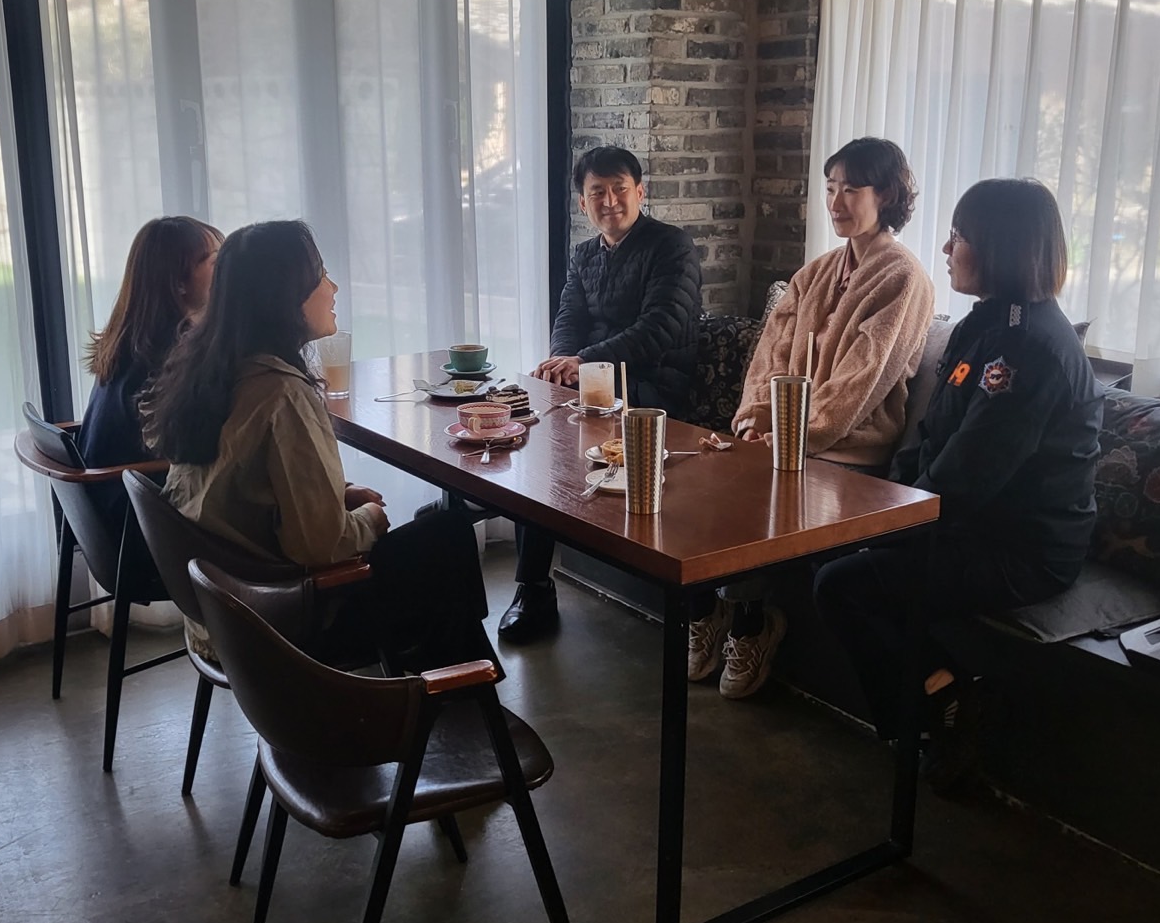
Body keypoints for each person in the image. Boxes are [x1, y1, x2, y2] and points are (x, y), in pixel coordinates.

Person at [812, 177, 1103, 792]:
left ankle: (942, 709)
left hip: (1022, 547)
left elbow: (971, 475)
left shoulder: (1030, 349)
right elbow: (932, 437)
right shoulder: (986, 325)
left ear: (1001, 246)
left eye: (959, 236)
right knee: (828, 553)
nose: (946, 249)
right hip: (969, 521)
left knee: (843, 583)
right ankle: (935, 698)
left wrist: (888, 525)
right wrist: (886, 503)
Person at [144, 220, 493, 671]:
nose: (333, 288)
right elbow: (322, 547)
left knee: (437, 542)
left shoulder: (211, 370)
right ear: (285, 296)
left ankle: (457, 680)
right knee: (448, 536)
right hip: (280, 615)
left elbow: (240, 482)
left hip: (219, 610)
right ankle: (455, 687)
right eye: (321, 276)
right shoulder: (282, 393)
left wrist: (338, 495)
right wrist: (369, 519)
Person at [689, 137, 934, 700]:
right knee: (704, 473)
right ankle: (706, 610)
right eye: (830, 188)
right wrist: (753, 420)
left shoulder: (903, 278)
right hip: (786, 439)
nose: (836, 201)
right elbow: (770, 355)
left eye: (852, 188)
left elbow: (862, 381)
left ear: (887, 194)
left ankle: (751, 623)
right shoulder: (815, 273)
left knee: (751, 488)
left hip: (850, 453)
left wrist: (790, 436)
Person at [499, 145, 703, 644]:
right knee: (531, 431)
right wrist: (561, 362)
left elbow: (662, 327)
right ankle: (534, 588)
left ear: (640, 192)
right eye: (597, 193)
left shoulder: (671, 246)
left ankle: (535, 584)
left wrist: (584, 361)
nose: (610, 201)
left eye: (619, 189)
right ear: (582, 202)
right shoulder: (586, 254)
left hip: (653, 389)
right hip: (595, 380)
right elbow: (569, 316)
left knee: (552, 438)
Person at [79, 215, 223, 546]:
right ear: (179, 284)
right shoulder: (172, 355)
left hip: (109, 510)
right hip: (139, 524)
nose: (229, 271)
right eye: (217, 263)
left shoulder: (135, 340)